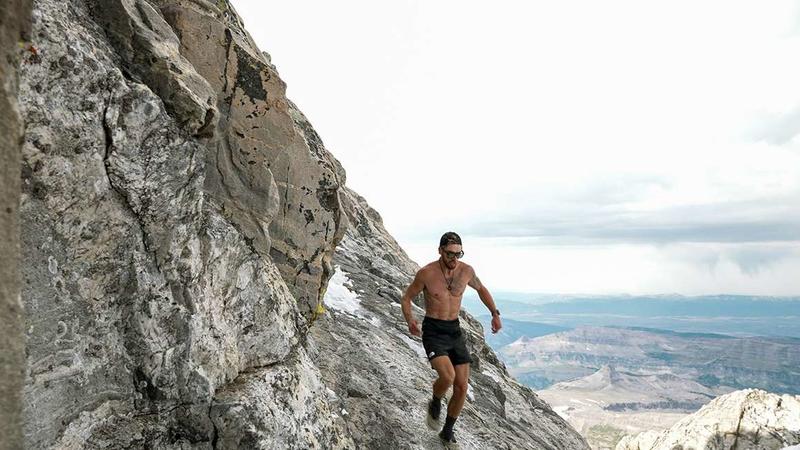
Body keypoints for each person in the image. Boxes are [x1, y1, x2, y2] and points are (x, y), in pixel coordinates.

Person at [401, 231, 502, 449]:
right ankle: (436, 400)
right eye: (450, 254)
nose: (454, 259)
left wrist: (495, 313)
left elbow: (481, 289)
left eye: (458, 254)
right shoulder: (426, 273)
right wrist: (410, 320)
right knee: (447, 377)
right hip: (434, 331)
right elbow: (407, 297)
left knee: (462, 386)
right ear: (440, 251)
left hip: (454, 331)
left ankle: (447, 431)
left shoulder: (466, 271)